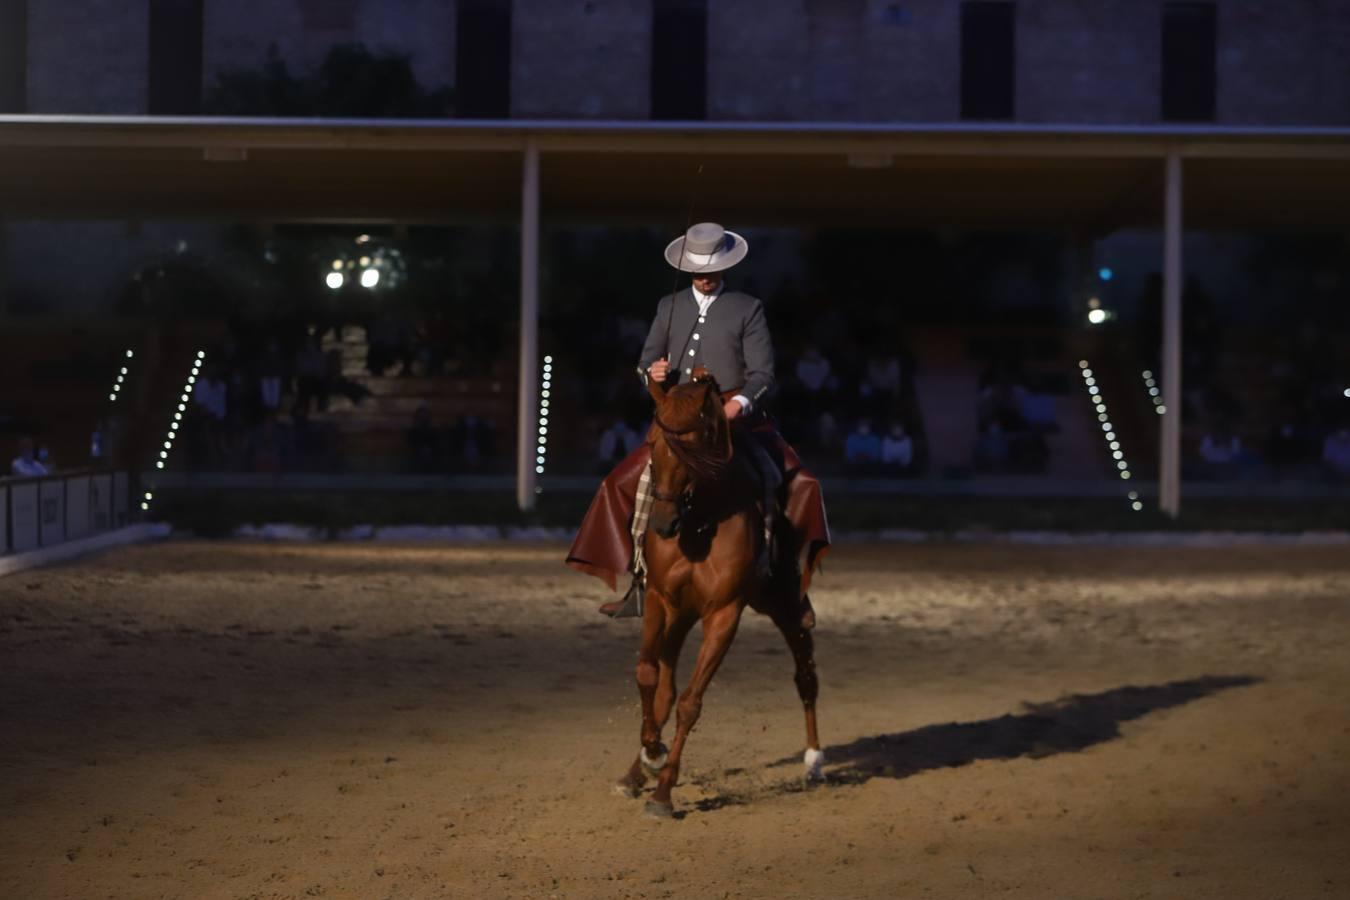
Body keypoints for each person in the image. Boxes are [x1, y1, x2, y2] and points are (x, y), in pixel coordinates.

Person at [566, 222, 830, 628]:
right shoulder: (668, 307)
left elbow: (763, 374)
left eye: (712, 269)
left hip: (732, 418)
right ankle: (639, 579)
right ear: (688, 268)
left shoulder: (748, 307)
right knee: (621, 482)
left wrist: (739, 403)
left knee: (799, 483)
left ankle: (787, 582)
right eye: (699, 270)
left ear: (725, 267)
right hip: (678, 415)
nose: (705, 277)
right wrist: (652, 374)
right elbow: (644, 364)